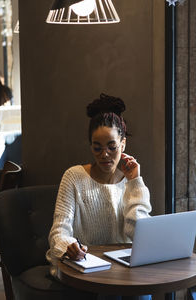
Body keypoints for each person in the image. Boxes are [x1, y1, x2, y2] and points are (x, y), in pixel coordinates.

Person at [46, 93, 152, 300]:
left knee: (141, 294)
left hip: (123, 267)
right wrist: (69, 248)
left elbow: (138, 234)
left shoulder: (132, 181)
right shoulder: (74, 177)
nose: (104, 154)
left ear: (123, 144)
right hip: (86, 267)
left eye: (112, 147)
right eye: (97, 147)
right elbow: (58, 232)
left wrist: (135, 182)